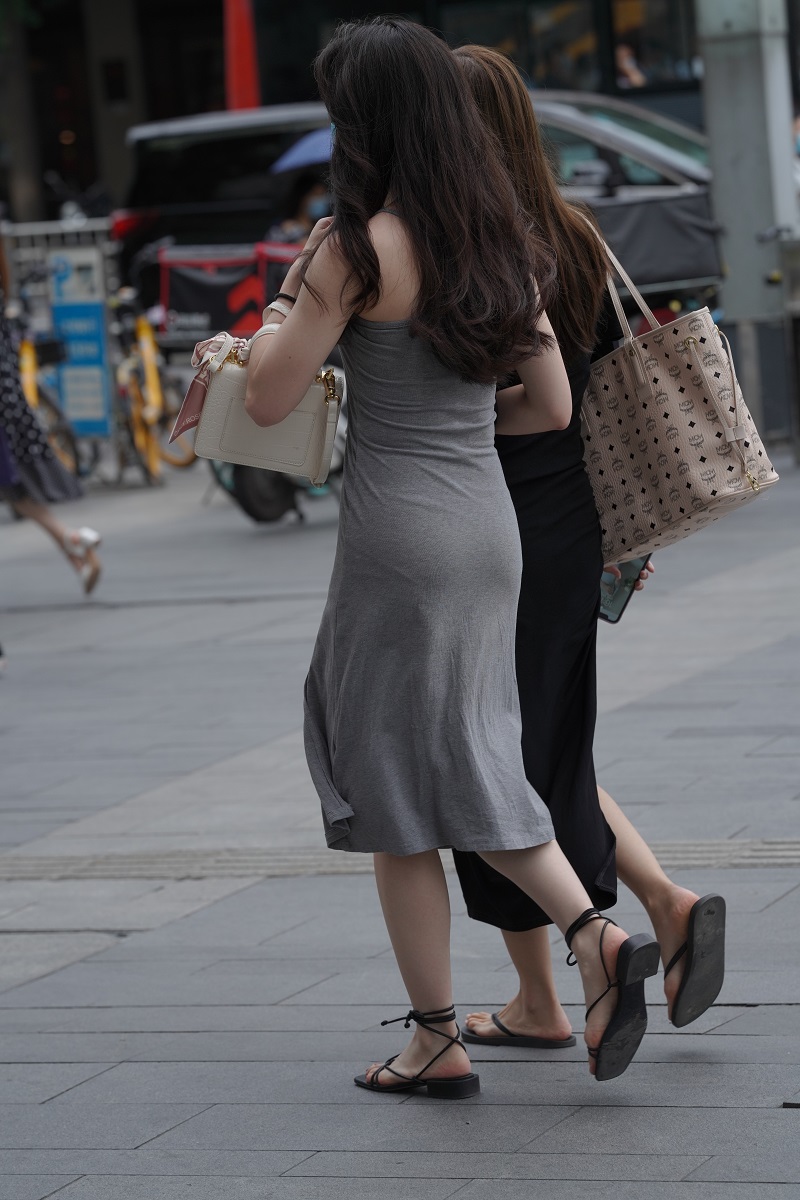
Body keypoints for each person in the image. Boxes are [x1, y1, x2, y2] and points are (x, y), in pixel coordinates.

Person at [243, 16, 659, 1093]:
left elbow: (270, 399)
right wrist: (459, 425)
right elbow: (548, 407)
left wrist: (283, 313)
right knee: (468, 756)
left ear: (364, 123)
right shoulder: (501, 240)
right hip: (488, 529)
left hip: (399, 540)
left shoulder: (351, 249)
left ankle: (439, 1035)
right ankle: (594, 935)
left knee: (395, 791)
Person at [449, 44, 725, 1049]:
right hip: (576, 516)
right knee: (544, 747)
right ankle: (656, 903)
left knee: (487, 754)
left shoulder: (474, 247)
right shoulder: (569, 230)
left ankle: (549, 988)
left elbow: (525, 400)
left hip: (498, 516)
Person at [0, 240, 102, 594]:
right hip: (10, 408)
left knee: (18, 491)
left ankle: (72, 542)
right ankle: (73, 545)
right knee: (18, 492)